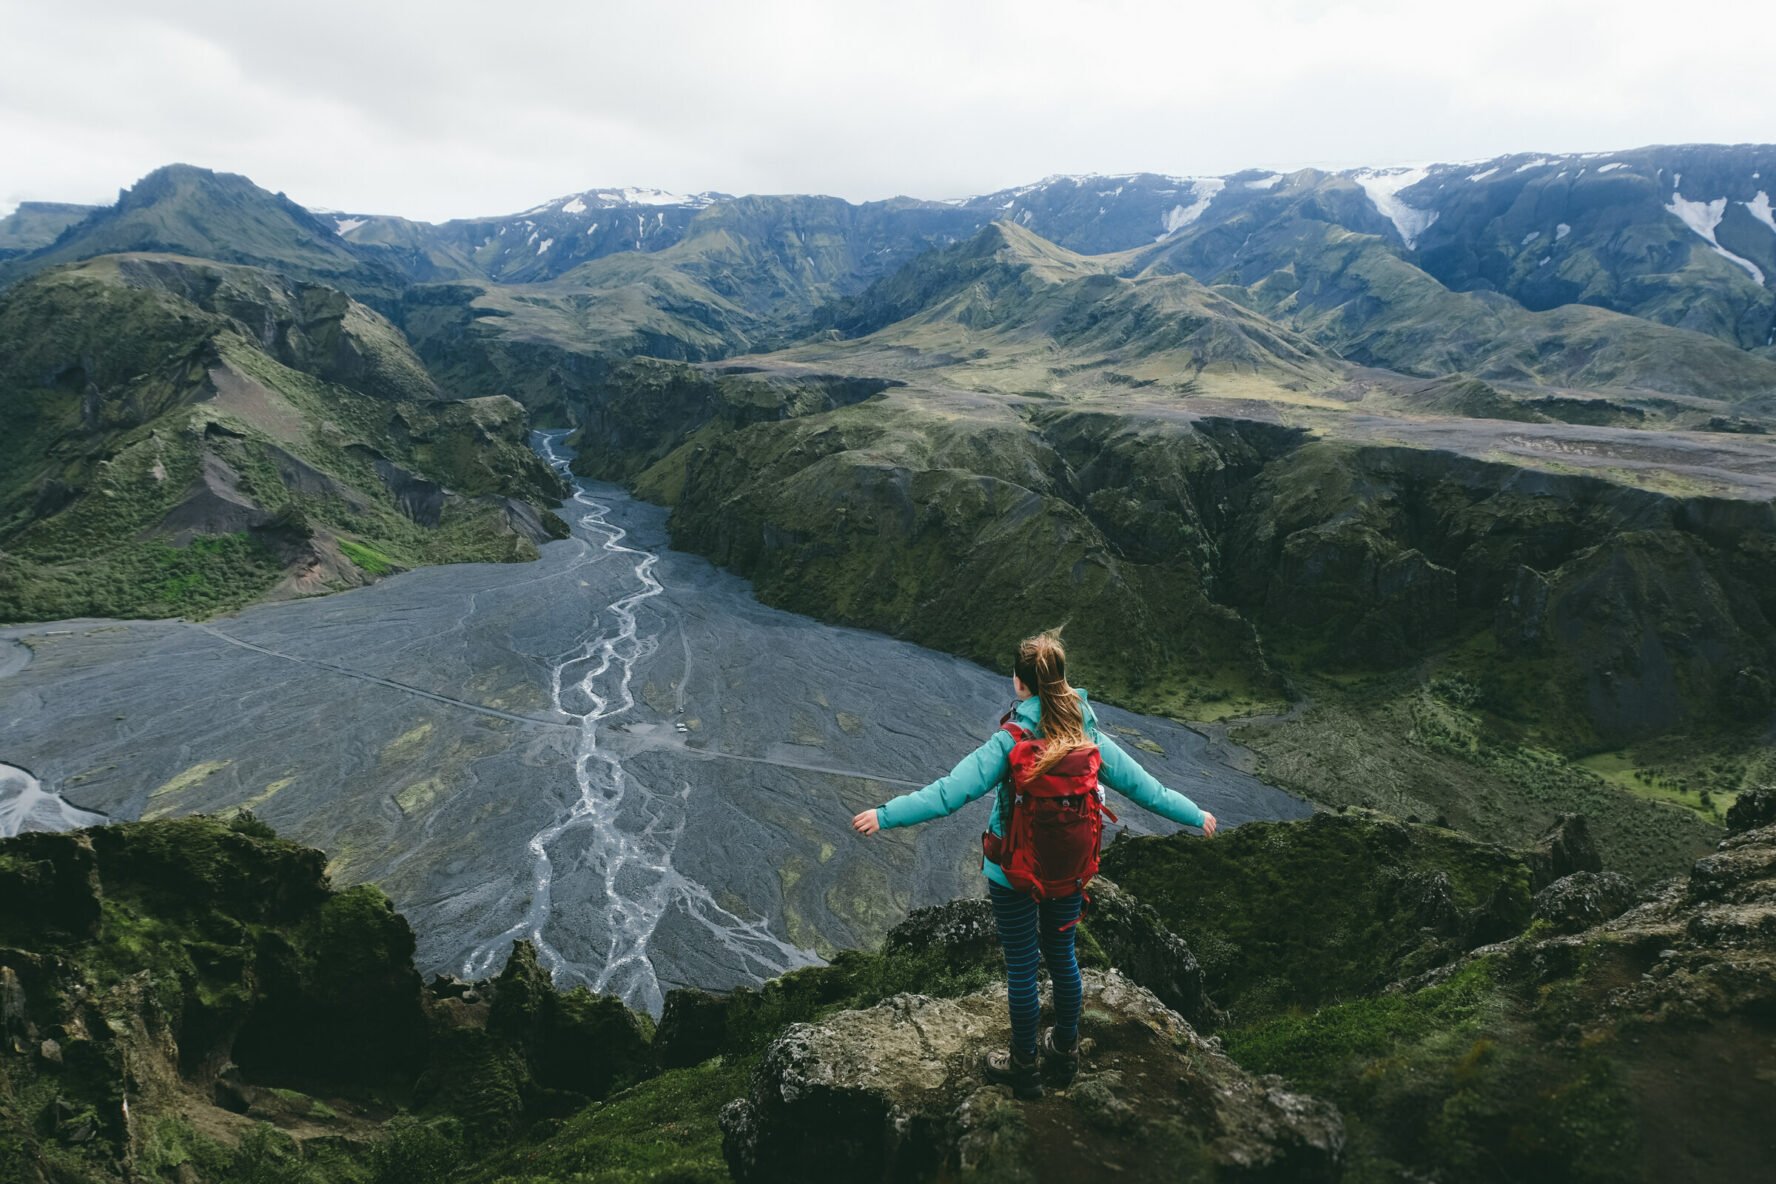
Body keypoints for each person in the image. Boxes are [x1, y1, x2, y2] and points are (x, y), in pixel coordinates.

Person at [850, 630, 1216, 1099]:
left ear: (1021, 685)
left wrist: (884, 815)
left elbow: (947, 793)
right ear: (1062, 679)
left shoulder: (1011, 741)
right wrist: (1195, 814)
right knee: (1064, 959)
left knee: (1022, 968)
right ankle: (1065, 1051)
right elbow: (1149, 789)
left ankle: (1023, 1065)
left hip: (1013, 872)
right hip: (1069, 873)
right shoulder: (1089, 737)